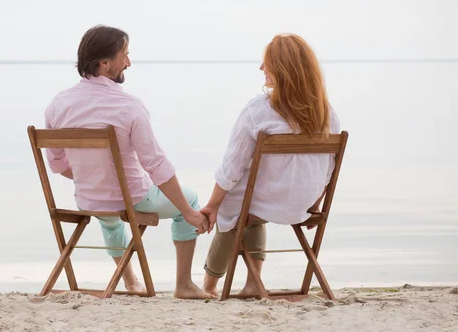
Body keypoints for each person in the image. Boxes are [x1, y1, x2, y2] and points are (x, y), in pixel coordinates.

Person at [45, 25, 212, 299]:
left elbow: (57, 164)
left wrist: (94, 177)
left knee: (108, 212)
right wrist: (190, 212)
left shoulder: (57, 104)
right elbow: (156, 165)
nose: (129, 62)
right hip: (132, 200)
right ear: (104, 62)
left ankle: (131, 281)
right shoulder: (128, 106)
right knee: (190, 200)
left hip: (88, 201)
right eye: (125, 55)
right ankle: (184, 285)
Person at [200, 33, 341, 297]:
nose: (261, 68)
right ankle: (254, 283)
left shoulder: (259, 110)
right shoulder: (327, 113)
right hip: (303, 204)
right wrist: (314, 204)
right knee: (247, 204)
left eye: (267, 63)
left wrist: (212, 205)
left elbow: (232, 167)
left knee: (231, 205)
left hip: (265, 201)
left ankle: (209, 285)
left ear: (284, 69)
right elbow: (328, 170)